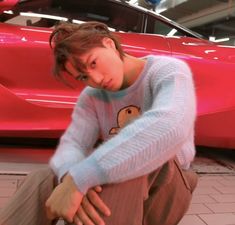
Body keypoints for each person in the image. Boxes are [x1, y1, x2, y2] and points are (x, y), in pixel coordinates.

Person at [0, 21, 198, 225]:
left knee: (128, 165)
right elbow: (73, 144)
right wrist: (69, 179)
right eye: (83, 76)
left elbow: (170, 126)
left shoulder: (167, 70)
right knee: (42, 179)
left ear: (109, 44)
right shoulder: (92, 96)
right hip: (121, 187)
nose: (95, 79)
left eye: (93, 63)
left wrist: (80, 180)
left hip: (168, 185)